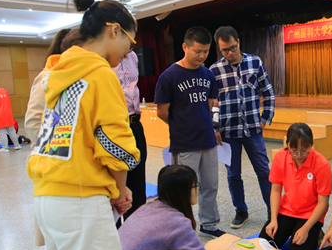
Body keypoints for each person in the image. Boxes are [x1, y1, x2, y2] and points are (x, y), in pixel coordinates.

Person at [27, 0, 140, 250]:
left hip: (47, 196)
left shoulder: (58, 72)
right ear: (114, 30)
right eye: (130, 40)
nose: (129, 51)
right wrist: (120, 188)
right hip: (80, 200)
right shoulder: (100, 73)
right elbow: (116, 144)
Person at [155, 26, 224, 238]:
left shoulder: (208, 74)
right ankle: (182, 227)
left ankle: (209, 224)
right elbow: (162, 112)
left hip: (208, 141)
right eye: (197, 51)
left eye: (206, 52)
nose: (202, 56)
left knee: (210, 185)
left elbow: (209, 105)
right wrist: (182, 125)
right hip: (185, 143)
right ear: (185, 47)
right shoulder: (169, 76)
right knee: (184, 188)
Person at [210, 26, 275, 229]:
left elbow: (268, 92)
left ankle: (273, 211)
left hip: (253, 130)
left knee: (264, 171)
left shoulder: (255, 62)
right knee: (233, 174)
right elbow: (211, 103)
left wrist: (265, 118)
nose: (229, 53)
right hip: (228, 132)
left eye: (232, 48)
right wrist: (215, 128)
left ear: (238, 42)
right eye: (224, 50)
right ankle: (241, 210)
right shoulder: (214, 70)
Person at [258, 123, 332, 250]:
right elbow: (275, 191)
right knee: (264, 244)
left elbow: (323, 203)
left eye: (304, 151)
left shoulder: (322, 164)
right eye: (293, 151)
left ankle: (316, 231)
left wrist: (306, 228)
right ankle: (293, 228)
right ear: (287, 144)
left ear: (311, 144)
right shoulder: (280, 157)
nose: (298, 155)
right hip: (287, 210)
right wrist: (273, 219)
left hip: (310, 214)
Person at [25, 28, 80, 144]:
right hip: (54, 150)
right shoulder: (47, 77)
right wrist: (58, 147)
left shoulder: (85, 77)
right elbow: (33, 123)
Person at [113, 50, 147, 222]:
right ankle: (116, 232)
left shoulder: (133, 56)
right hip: (114, 125)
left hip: (135, 123)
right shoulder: (101, 58)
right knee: (115, 187)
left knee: (138, 184)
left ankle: (135, 230)